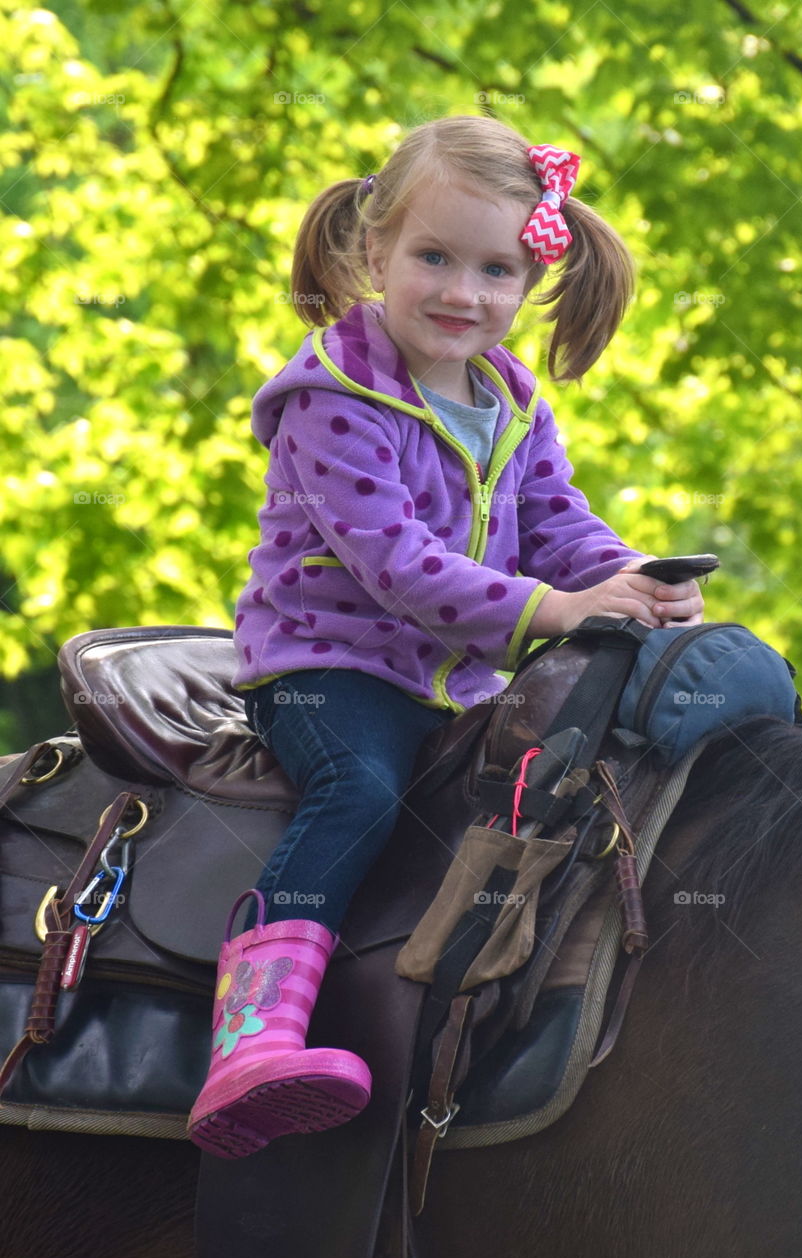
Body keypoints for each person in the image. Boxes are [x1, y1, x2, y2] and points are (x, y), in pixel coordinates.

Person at [188, 115, 704, 1159]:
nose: (464, 293)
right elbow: (395, 563)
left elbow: (557, 520)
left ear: (530, 281)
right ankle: (251, 1035)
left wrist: (622, 579)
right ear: (373, 251)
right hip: (326, 666)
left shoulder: (513, 398)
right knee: (360, 790)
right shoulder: (334, 399)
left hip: (452, 685)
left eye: (496, 269)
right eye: (434, 257)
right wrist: (553, 611)